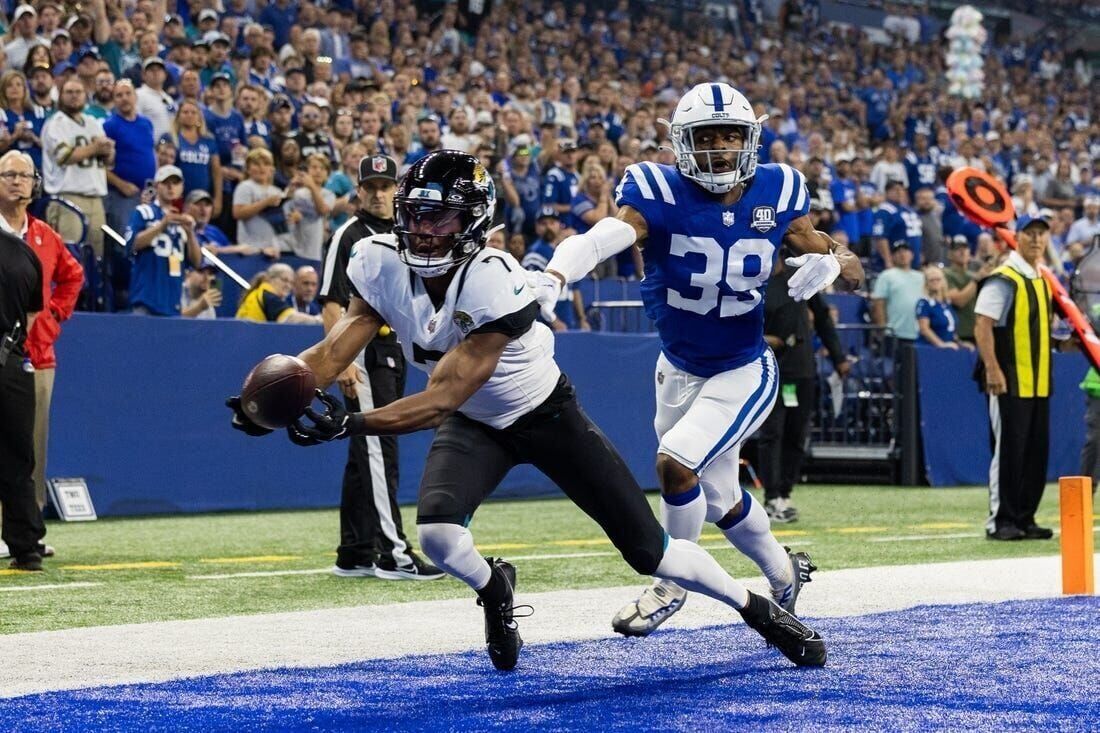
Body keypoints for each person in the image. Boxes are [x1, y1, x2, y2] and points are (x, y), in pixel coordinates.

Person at [228, 150, 827, 671]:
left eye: (439, 217)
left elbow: (442, 398)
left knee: (652, 551)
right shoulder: (378, 260)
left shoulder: (495, 278)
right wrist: (272, 402)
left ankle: (758, 610)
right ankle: (495, 590)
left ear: (474, 223)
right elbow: (333, 351)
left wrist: (351, 423)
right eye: (415, 215)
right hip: (479, 426)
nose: (423, 230)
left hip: (545, 415)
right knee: (437, 536)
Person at [528, 82, 863, 636]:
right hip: (678, 368)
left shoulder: (778, 191)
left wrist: (835, 262)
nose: (720, 150)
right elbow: (606, 234)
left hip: (743, 365)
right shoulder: (655, 188)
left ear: (750, 141)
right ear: (682, 145)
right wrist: (556, 272)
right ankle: (784, 575)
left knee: (675, 464)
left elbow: (846, 264)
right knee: (722, 499)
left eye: (730, 137)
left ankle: (671, 583)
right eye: (706, 138)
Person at [316, 154, 438, 580]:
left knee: (363, 452)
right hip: (365, 354)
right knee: (378, 448)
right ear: (359, 192)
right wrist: (342, 361)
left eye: (388, 186)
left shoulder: (402, 234)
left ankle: (355, 551)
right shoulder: (349, 234)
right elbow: (331, 302)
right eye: (373, 187)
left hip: (392, 354)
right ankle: (395, 554)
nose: (381, 194)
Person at [0, 150, 81, 537]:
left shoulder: (45, 237)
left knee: (32, 443)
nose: (17, 181)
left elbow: (73, 276)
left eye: (24, 175)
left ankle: (28, 527)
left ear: (35, 184)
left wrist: (54, 315)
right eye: (9, 174)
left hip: (37, 354)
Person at [974, 214, 1059, 541]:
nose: (1037, 240)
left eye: (1042, 234)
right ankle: (1001, 520)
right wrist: (993, 369)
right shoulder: (1004, 277)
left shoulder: (1043, 279)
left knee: (1035, 450)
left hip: (1038, 379)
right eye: (1030, 233)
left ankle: (1025, 516)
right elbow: (983, 324)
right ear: (1016, 238)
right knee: (1008, 450)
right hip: (1009, 378)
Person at [759, 253, 848, 523]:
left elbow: (822, 319)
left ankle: (784, 493)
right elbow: (740, 327)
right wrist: (763, 340)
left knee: (797, 435)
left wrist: (838, 358)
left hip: (802, 367)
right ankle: (772, 496)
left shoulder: (797, 280)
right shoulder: (757, 286)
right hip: (772, 368)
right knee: (772, 434)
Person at [0, 194, 45, 571]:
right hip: (12, 362)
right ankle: (27, 547)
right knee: (18, 457)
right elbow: (31, 315)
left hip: (10, 359)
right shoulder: (26, 254)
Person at [41, 78, 113, 257]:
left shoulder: (92, 123)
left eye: (78, 92)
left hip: (96, 199)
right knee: (69, 257)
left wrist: (108, 150)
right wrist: (96, 148)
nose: (74, 97)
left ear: (85, 96)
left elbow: (108, 161)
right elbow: (65, 156)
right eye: (69, 92)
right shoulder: (55, 123)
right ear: (61, 96)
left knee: (96, 258)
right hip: (68, 197)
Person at [125, 165, 203, 316]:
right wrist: (162, 225)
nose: (171, 187)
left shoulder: (183, 220)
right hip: (146, 297)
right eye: (166, 182)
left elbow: (196, 262)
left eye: (175, 183)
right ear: (156, 186)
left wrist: (190, 233)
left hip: (173, 299)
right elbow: (132, 244)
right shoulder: (143, 212)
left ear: (182, 187)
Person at [103, 80, 156, 236]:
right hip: (121, 195)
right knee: (124, 240)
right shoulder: (109, 126)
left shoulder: (146, 124)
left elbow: (150, 153)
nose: (124, 98)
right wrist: (121, 185)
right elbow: (100, 166)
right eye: (119, 95)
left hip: (147, 194)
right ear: (114, 100)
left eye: (128, 94)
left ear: (135, 97)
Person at [521, 207, 587, 331]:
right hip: (544, 325)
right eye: (543, 223)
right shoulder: (536, 254)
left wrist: (582, 318)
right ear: (537, 227)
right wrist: (554, 320)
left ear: (559, 225)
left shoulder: (564, 251)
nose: (548, 227)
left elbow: (575, 289)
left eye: (552, 223)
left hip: (567, 319)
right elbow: (531, 293)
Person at [232, 148, 286, 256]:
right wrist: (265, 203)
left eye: (266, 164)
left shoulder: (276, 191)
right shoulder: (245, 186)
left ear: (272, 169)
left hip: (273, 248)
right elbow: (238, 213)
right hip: (250, 247)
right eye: (256, 164)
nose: (261, 168)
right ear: (248, 169)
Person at [871, 241, 925, 342]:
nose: (902, 254)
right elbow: (879, 304)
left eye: (906, 251)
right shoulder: (886, 275)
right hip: (894, 332)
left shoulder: (921, 277)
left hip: (919, 332)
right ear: (892, 256)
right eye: (898, 252)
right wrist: (883, 328)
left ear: (912, 255)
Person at [236, 262, 321, 324]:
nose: (288, 286)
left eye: (291, 282)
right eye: (284, 280)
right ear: (270, 279)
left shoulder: (258, 293)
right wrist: (318, 320)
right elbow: (291, 318)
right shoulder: (268, 297)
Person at [944, 236, 990, 344]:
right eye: (957, 249)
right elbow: (959, 301)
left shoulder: (974, 274)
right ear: (949, 254)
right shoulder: (946, 274)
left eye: (965, 249)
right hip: (959, 332)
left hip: (978, 330)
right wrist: (977, 280)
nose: (962, 252)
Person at [916, 266, 971, 349]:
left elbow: (950, 329)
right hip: (929, 349)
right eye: (931, 280)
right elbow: (924, 329)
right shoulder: (924, 303)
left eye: (938, 279)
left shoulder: (946, 303)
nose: (935, 282)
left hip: (947, 349)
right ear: (926, 283)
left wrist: (960, 343)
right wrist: (941, 344)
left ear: (943, 281)